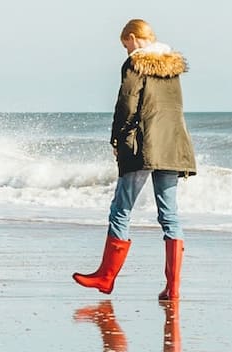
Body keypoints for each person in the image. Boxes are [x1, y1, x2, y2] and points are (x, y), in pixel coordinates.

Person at [73, 19, 196, 301]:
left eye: (125, 43)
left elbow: (127, 104)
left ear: (132, 37)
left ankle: (106, 277)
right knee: (170, 215)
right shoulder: (171, 67)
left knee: (121, 208)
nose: (125, 50)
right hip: (173, 144)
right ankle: (173, 288)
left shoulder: (135, 63)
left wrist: (117, 139)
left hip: (143, 144)